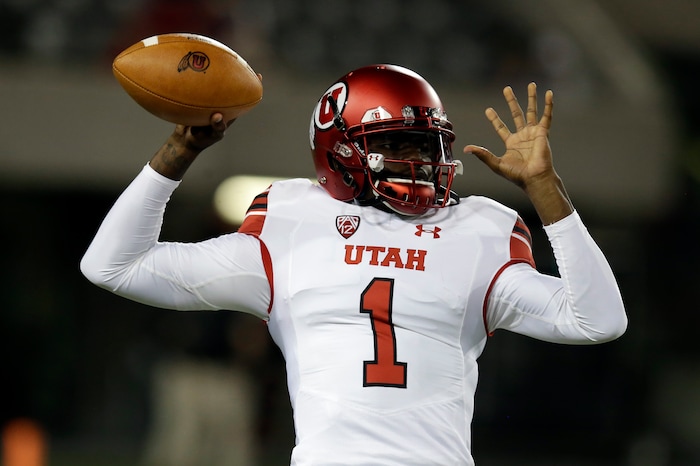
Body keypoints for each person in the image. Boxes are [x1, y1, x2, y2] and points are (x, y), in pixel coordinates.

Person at [80, 64, 627, 465]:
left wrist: (546, 190)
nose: (420, 164)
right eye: (398, 146)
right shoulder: (293, 225)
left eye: (426, 147)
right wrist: (177, 154)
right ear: (340, 151)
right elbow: (112, 266)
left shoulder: (476, 229)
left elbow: (598, 320)